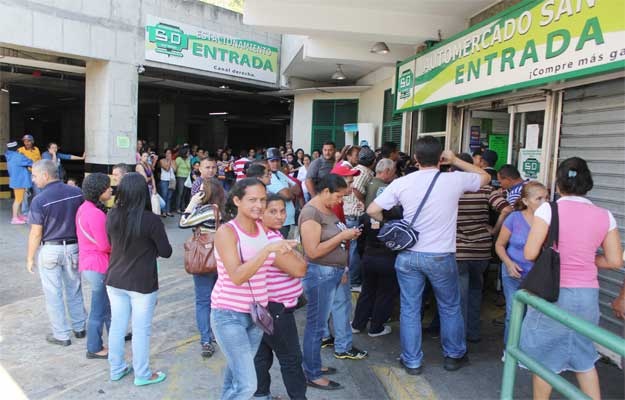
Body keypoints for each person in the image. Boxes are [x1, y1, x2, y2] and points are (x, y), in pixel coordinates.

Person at [367, 136, 490, 374]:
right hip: (440, 256)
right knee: (450, 307)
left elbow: (373, 209)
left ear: (415, 159)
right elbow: (485, 177)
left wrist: (394, 223)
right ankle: (453, 355)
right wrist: (456, 160)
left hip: (408, 255)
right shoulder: (453, 180)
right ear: (441, 158)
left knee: (410, 308)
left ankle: (412, 361)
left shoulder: (403, 182)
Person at [520, 157, 623, 400]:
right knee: (584, 356)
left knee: (544, 360)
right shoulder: (605, 215)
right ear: (588, 184)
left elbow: (530, 253)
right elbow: (615, 261)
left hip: (553, 292)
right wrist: (588, 259)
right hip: (587, 295)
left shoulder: (548, 209)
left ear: (558, 185)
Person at [211, 178, 302, 399]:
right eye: (252, 199)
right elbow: (238, 276)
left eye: (262, 199)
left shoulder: (263, 228)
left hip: (257, 315)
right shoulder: (227, 232)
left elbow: (298, 267)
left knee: (235, 378)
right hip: (229, 315)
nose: (259, 205)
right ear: (236, 200)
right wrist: (267, 250)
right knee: (247, 385)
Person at [299, 174, 366, 391]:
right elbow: (312, 251)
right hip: (320, 274)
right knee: (316, 327)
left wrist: (343, 266)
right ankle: (312, 373)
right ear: (326, 191)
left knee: (318, 325)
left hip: (333, 272)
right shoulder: (311, 213)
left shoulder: (326, 210)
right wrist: (343, 236)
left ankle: (313, 365)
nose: (341, 201)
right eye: (339, 196)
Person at [106, 172, 172, 386]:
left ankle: (116, 369)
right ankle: (142, 374)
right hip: (142, 283)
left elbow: (111, 241)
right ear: (144, 192)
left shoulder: (112, 215)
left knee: (117, 325)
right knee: (141, 330)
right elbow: (166, 251)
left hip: (115, 279)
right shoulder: (151, 220)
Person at [26, 159, 87, 346]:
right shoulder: (77, 193)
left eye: (35, 176)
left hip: (51, 250)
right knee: (74, 288)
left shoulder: (39, 200)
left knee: (53, 293)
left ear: (45, 175)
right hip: (74, 248)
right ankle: (79, 328)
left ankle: (61, 335)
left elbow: (36, 232)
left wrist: (30, 258)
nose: (34, 180)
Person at [253, 193, 308, 400]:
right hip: (277, 308)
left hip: (262, 306)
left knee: (262, 355)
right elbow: (300, 269)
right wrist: (297, 255)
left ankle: (260, 394)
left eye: (283, 211)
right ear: (260, 214)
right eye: (273, 211)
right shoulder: (270, 240)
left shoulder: (260, 235)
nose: (279, 216)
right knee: (291, 359)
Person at [454, 153, 511, 343]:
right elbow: (507, 209)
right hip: (481, 250)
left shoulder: (452, 190)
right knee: (475, 291)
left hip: (458, 250)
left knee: (458, 296)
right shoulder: (485, 189)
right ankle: (473, 332)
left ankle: (458, 336)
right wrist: (494, 230)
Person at [495, 181, 547, 348]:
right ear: (525, 201)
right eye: (539, 198)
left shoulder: (549, 220)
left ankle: (528, 350)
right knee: (514, 313)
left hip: (537, 277)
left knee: (535, 314)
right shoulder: (514, 218)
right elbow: (499, 245)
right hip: (513, 273)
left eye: (546, 198)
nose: (544, 202)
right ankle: (510, 350)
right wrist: (509, 264)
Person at [351, 160, 400, 337]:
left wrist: (364, 254)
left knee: (367, 291)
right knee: (385, 293)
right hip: (388, 259)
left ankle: (357, 323)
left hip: (369, 257)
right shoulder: (397, 219)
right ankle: (376, 327)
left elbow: (360, 241)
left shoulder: (366, 216)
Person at [180, 177, 226, 358]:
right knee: (219, 299)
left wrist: (192, 203)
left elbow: (183, 222)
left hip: (205, 259)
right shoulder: (225, 210)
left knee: (203, 301)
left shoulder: (208, 211)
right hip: (222, 259)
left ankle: (206, 340)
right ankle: (218, 334)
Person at [76, 173, 113, 359]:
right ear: (99, 190)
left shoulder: (84, 208)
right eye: (107, 187)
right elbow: (105, 245)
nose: (111, 189)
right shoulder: (96, 213)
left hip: (88, 263)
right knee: (98, 309)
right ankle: (94, 347)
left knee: (104, 306)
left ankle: (114, 336)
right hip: (98, 265)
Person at [343, 147, 376, 289]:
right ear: (373, 161)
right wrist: (364, 201)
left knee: (351, 248)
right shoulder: (365, 172)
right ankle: (354, 280)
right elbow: (356, 188)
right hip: (354, 214)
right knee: (354, 249)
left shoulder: (357, 169)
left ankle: (352, 278)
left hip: (349, 212)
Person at [266, 147, 299, 238]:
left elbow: (298, 189)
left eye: (277, 161)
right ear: (267, 162)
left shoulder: (280, 173)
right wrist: (289, 190)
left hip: (287, 218)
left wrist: (288, 191)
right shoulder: (269, 176)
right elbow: (287, 195)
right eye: (272, 161)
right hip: (277, 219)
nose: (275, 163)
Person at [5, 141, 33, 224]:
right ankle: (14, 218)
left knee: (19, 199)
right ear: (16, 148)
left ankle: (19, 215)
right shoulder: (18, 156)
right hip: (20, 181)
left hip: (15, 180)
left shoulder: (9, 155)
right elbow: (30, 162)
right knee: (18, 199)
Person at [158, 148, 177, 217]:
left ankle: (168, 211)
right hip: (164, 180)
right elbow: (167, 169)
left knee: (169, 196)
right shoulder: (161, 160)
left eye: (170, 153)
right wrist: (169, 161)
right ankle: (163, 212)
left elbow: (175, 170)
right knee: (164, 195)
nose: (168, 154)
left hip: (172, 180)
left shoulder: (174, 161)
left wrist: (171, 161)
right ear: (165, 154)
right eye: (167, 153)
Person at [175, 146, 191, 213]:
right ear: (184, 152)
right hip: (180, 177)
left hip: (187, 177)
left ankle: (182, 207)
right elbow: (175, 168)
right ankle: (177, 208)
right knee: (180, 193)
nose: (189, 153)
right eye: (188, 152)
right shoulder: (178, 159)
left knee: (185, 193)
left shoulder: (188, 159)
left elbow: (190, 167)